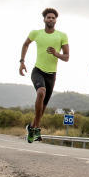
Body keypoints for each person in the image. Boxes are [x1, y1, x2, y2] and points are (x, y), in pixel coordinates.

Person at [19, 8, 69, 143]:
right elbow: (25, 44)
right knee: (41, 92)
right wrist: (22, 62)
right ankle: (37, 128)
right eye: (49, 17)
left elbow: (66, 57)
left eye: (53, 18)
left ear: (56, 20)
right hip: (38, 71)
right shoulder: (36, 33)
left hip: (51, 75)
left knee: (43, 108)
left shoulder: (62, 36)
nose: (51, 19)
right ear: (44, 19)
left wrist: (56, 53)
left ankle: (31, 127)